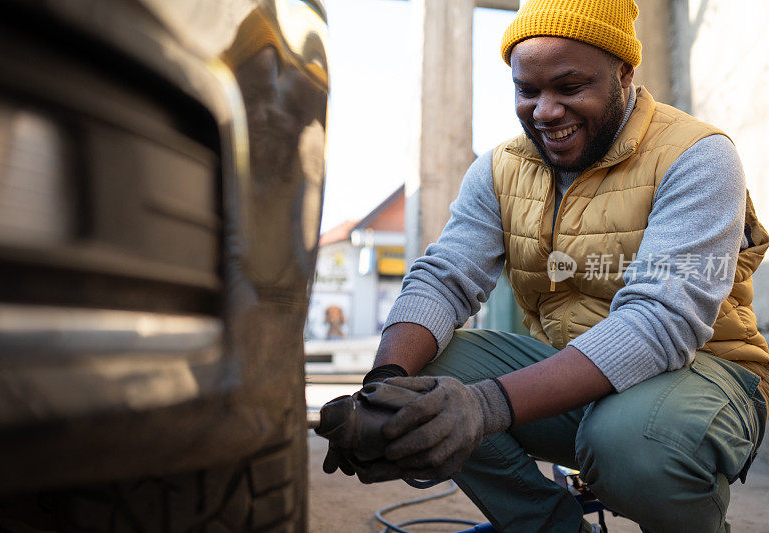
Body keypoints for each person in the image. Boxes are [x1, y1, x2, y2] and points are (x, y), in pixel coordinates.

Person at [322, 0, 769, 531]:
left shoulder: (697, 155)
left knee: (632, 443)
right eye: (527, 91)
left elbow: (660, 323)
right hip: (577, 379)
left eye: (570, 87)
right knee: (426, 378)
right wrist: (386, 390)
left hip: (704, 375)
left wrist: (485, 405)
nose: (545, 111)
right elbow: (444, 278)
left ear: (624, 74)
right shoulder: (499, 169)